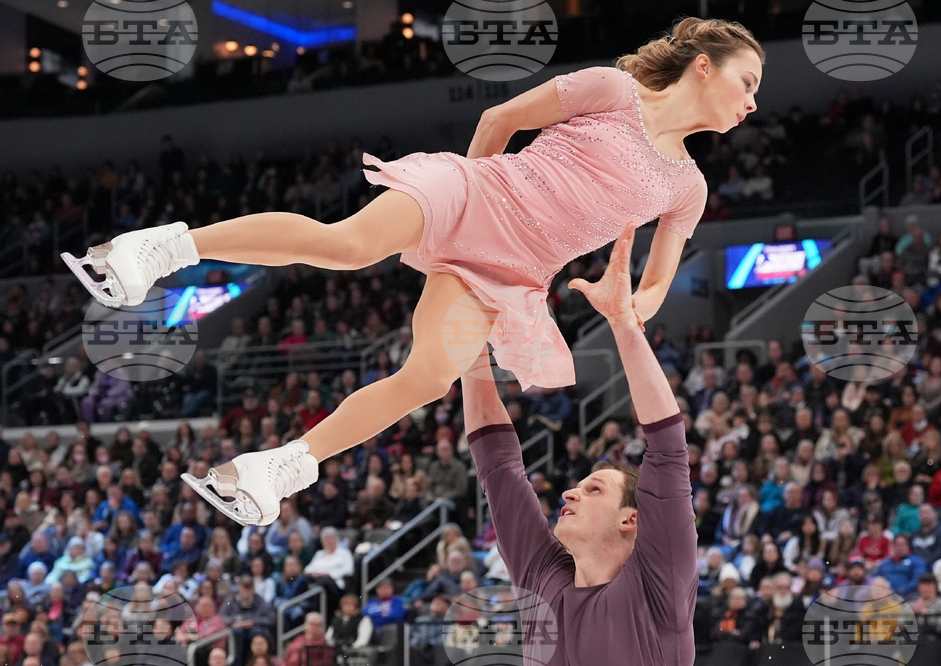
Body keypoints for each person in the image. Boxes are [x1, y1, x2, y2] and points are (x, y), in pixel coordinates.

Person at [69, 19, 763, 527]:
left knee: (431, 377)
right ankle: (159, 250)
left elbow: (650, 293)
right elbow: (498, 118)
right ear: (703, 65)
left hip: (509, 272)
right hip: (473, 195)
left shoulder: (687, 188)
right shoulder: (611, 89)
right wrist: (473, 182)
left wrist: (624, 304)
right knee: (347, 245)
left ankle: (275, 467)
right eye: (747, 80)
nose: (753, 100)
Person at [461, 226, 697, 665]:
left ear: (632, 519)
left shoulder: (660, 581)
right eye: (584, 486)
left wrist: (624, 323)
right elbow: (499, 467)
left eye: (594, 490)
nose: (569, 492)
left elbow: (667, 447)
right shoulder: (544, 578)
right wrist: (468, 342)